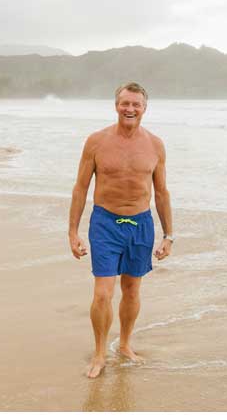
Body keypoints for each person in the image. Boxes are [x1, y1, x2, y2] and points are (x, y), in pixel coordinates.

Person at [68, 82, 174, 379]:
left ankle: (125, 344)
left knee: (132, 290)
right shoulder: (96, 142)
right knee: (103, 293)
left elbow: (162, 192)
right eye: (125, 103)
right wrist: (72, 232)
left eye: (135, 104)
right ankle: (100, 352)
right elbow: (80, 188)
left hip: (140, 224)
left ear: (144, 108)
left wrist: (169, 235)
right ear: (116, 105)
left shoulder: (155, 145)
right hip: (105, 224)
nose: (130, 109)